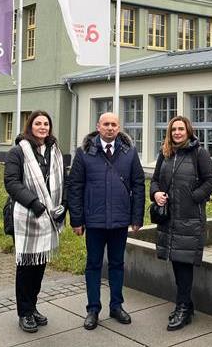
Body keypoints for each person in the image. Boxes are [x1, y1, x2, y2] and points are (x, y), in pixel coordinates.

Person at [67, 112, 145, 330]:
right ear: (98, 127)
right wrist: (77, 219)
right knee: (93, 265)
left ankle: (116, 306)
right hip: (94, 221)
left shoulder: (129, 153)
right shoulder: (84, 153)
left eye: (114, 124)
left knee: (117, 264)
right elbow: (75, 187)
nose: (110, 128)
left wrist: (137, 217)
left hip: (120, 221)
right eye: (106, 124)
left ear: (119, 128)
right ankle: (93, 309)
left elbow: (138, 185)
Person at [150, 115, 212, 331]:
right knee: (176, 263)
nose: (177, 132)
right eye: (173, 130)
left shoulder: (199, 153)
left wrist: (194, 196)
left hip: (190, 219)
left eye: (181, 129)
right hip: (169, 218)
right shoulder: (165, 153)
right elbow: (155, 181)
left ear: (188, 131)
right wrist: (156, 194)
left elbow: (211, 180)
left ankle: (182, 308)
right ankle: (186, 305)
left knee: (184, 263)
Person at [4, 110, 67, 333]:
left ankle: (32, 306)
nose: (43, 127)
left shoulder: (54, 151)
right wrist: (34, 203)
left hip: (49, 217)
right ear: (30, 126)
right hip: (27, 216)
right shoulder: (18, 152)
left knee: (39, 266)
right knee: (26, 268)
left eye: (46, 124)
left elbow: (63, 181)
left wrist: (63, 205)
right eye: (38, 123)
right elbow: (11, 183)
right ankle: (24, 313)